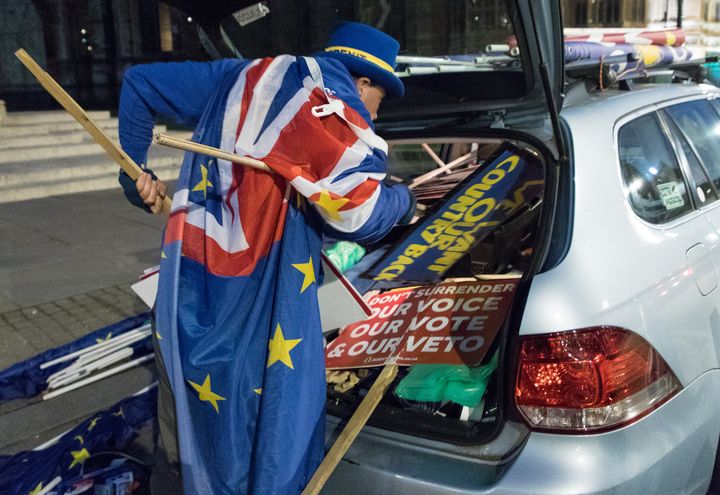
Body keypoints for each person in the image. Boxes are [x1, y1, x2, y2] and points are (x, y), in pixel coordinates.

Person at [117, 22, 414, 494]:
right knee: (271, 437)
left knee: (187, 447)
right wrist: (405, 200)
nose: (375, 114)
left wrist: (134, 177)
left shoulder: (243, 76)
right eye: (381, 98)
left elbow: (139, 84)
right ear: (361, 82)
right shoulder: (330, 103)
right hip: (264, 315)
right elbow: (358, 217)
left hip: (187, 298)